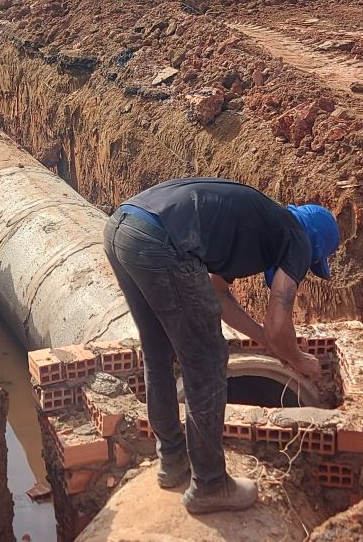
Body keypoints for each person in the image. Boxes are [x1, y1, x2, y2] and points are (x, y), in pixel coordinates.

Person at [102, 178, 340, 515]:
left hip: (123, 228)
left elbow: (216, 293)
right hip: (157, 241)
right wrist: (299, 360)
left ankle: (172, 460)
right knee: (208, 362)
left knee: (158, 352)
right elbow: (278, 321)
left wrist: (264, 338)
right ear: (316, 246)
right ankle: (211, 485)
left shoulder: (253, 222)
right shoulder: (297, 237)